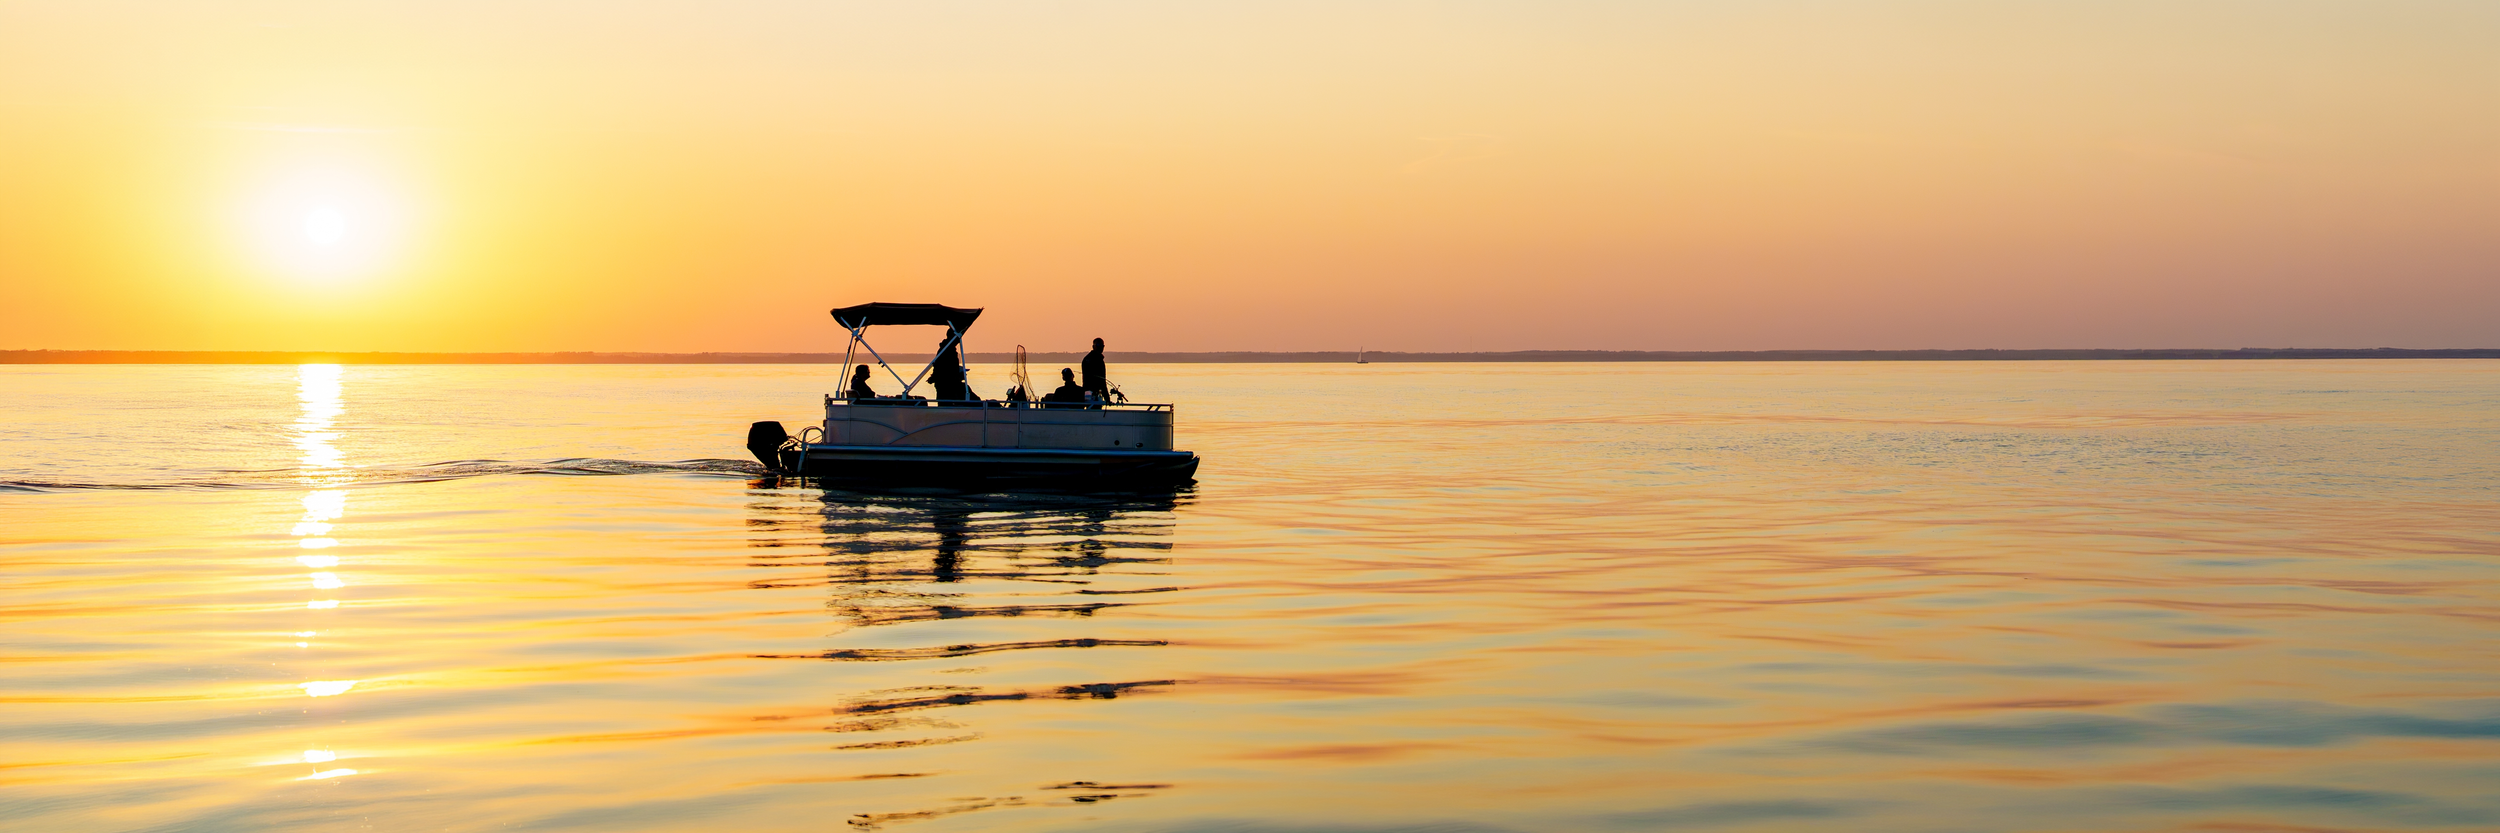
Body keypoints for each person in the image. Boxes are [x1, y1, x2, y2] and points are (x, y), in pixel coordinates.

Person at [930, 335, 971, 405]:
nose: (965, 375)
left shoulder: (945, 351)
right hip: (953, 407)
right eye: (963, 373)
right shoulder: (961, 387)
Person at [1081, 337, 1109, 402]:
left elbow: (1102, 379)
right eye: (1098, 345)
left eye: (1102, 346)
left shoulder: (1098, 359)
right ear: (1093, 346)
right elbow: (1102, 380)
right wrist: (1106, 397)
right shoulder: (1090, 359)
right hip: (1091, 393)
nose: (1100, 348)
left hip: (1093, 392)